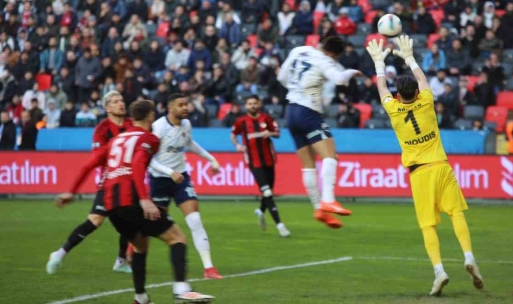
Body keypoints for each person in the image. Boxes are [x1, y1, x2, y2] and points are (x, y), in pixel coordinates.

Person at [54, 99, 214, 304]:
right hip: (132, 201)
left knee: (140, 247)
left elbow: (89, 164)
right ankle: (181, 289)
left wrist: (71, 191)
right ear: (150, 116)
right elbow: (138, 164)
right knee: (177, 238)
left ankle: (140, 298)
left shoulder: (116, 140)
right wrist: (145, 200)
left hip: (112, 207)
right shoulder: (149, 138)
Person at [365, 36, 483, 296]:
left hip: (419, 173)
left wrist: (378, 64)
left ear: (399, 95)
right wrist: (409, 57)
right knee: (456, 212)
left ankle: (439, 270)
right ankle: (468, 255)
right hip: (441, 166)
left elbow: (382, 89)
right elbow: (422, 79)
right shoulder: (428, 100)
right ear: (417, 93)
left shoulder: (393, 110)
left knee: (428, 225)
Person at [46, 92, 135, 275]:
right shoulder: (102, 129)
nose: (121, 104)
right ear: (107, 107)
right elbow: (94, 161)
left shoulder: (132, 125)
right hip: (110, 181)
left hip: (128, 181)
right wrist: (72, 190)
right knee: (95, 220)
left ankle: (121, 261)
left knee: (130, 219)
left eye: (122, 100)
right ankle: (59, 254)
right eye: (116, 101)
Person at [278, 36, 360, 229]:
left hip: (290, 112)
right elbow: (339, 79)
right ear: (332, 54)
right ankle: (328, 200)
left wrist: (295, 89)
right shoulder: (324, 60)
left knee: (308, 166)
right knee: (330, 156)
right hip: (308, 112)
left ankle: (318, 208)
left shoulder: (298, 50)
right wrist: (352, 72)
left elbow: (281, 77)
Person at [149, 94, 223, 280]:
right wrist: (168, 172)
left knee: (195, 220)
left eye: (186, 104)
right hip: (160, 180)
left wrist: (211, 158)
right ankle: (133, 250)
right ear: (170, 108)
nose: (185, 108)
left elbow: (189, 143)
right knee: (154, 225)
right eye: (180, 105)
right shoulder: (158, 127)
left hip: (181, 178)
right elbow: (148, 159)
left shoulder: (186, 124)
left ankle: (209, 268)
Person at [230, 95, 290, 237]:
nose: (252, 106)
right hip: (253, 163)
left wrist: (269, 133)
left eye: (254, 103)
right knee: (267, 192)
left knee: (268, 192)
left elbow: (277, 133)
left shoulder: (266, 119)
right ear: (246, 106)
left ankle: (261, 212)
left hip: (269, 160)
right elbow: (233, 135)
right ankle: (280, 225)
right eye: (249, 104)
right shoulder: (241, 121)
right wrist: (237, 145)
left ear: (259, 104)